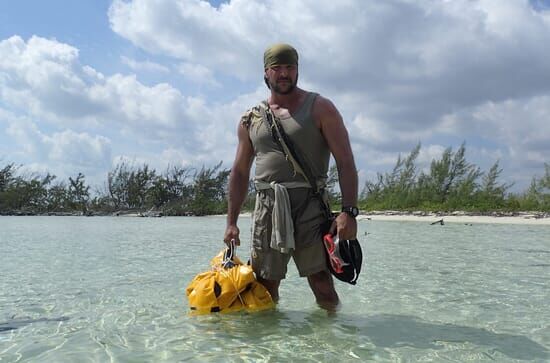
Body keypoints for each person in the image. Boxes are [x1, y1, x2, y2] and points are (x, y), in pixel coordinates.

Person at [223, 43, 358, 311]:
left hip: (310, 205)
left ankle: (334, 345)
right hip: (267, 207)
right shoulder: (251, 119)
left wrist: (349, 212)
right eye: (277, 68)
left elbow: (345, 161)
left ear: (297, 71)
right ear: (266, 73)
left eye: (290, 68)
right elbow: (239, 172)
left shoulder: (321, 108)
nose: (284, 74)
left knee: (322, 283)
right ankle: (270, 349)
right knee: (265, 287)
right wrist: (231, 223)